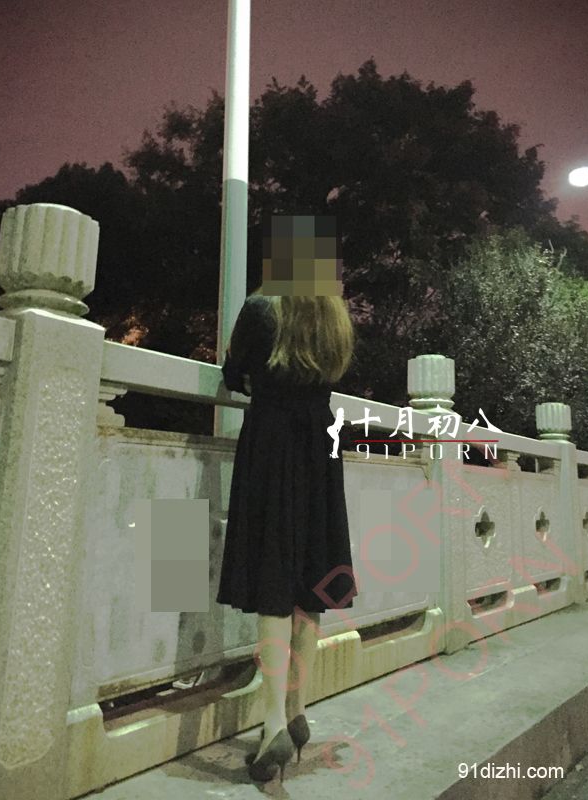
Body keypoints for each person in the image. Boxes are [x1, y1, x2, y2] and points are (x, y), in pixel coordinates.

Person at [216, 282, 358, 784]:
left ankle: (274, 720)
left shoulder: (261, 310)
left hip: (272, 442)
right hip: (321, 445)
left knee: (273, 578)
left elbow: (234, 375)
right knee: (310, 579)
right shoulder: (335, 317)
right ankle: (298, 709)